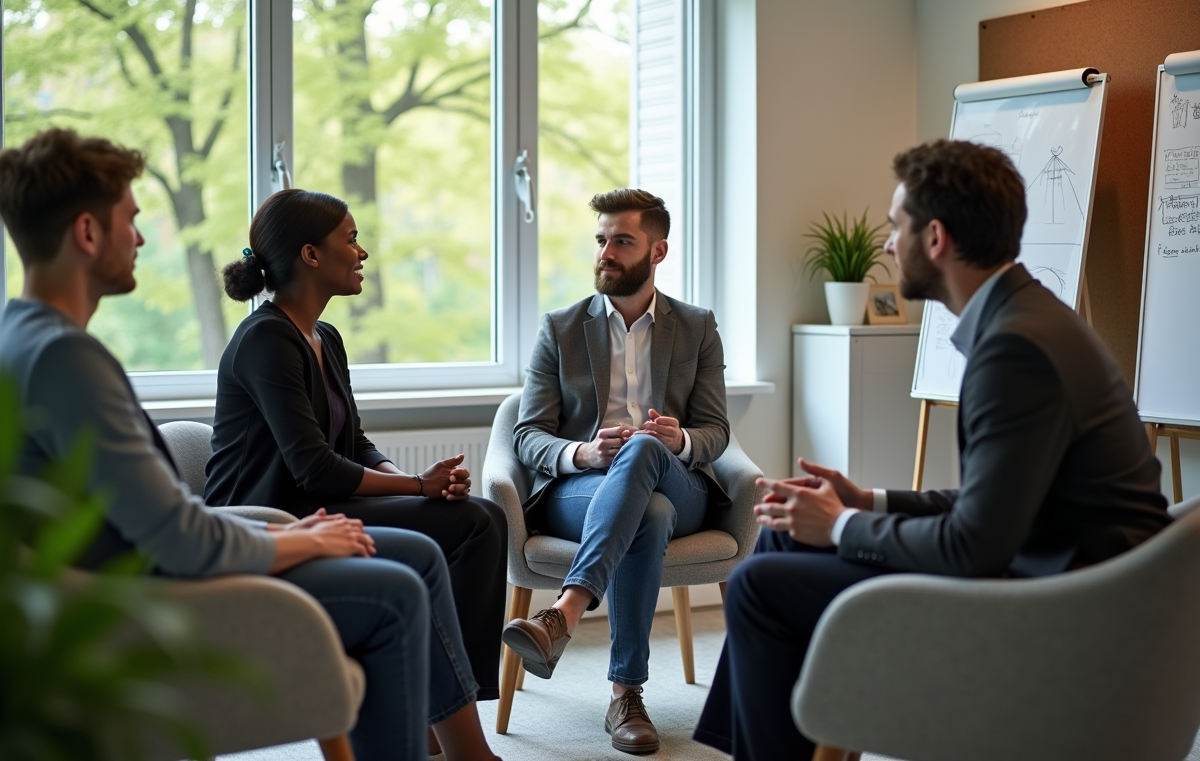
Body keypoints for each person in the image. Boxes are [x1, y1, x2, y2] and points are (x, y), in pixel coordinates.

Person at [0, 128, 501, 761]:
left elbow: (167, 521)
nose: (143, 238)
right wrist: (303, 538)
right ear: (87, 234)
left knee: (424, 554)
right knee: (398, 588)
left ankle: (461, 748)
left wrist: (296, 537)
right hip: (145, 605)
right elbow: (183, 537)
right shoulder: (68, 358)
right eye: (131, 219)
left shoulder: (24, 339)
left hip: (145, 571)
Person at [693, 138, 1173, 761]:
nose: (889, 245)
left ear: (937, 238)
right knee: (784, 539)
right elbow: (997, 500)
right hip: (1053, 568)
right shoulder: (1028, 318)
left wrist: (843, 525)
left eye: (897, 227)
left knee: (759, 582)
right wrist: (869, 500)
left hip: (1058, 609)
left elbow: (974, 545)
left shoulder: (1013, 350)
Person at [203, 188, 508, 717]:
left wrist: (415, 479)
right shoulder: (265, 340)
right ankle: (446, 710)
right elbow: (315, 467)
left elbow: (355, 444)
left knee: (481, 514)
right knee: (476, 524)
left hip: (317, 501)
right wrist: (418, 489)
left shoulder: (326, 336)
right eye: (352, 238)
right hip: (274, 515)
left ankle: (448, 704)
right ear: (310, 254)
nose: (362, 252)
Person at [503, 188, 731, 755]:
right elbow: (526, 435)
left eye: (622, 241)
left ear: (658, 252)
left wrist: (678, 440)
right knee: (645, 513)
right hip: (582, 487)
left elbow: (717, 432)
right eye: (601, 240)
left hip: (679, 483)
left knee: (648, 453)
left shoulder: (697, 327)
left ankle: (562, 613)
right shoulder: (560, 328)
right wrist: (585, 454)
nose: (606, 251)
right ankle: (626, 694)